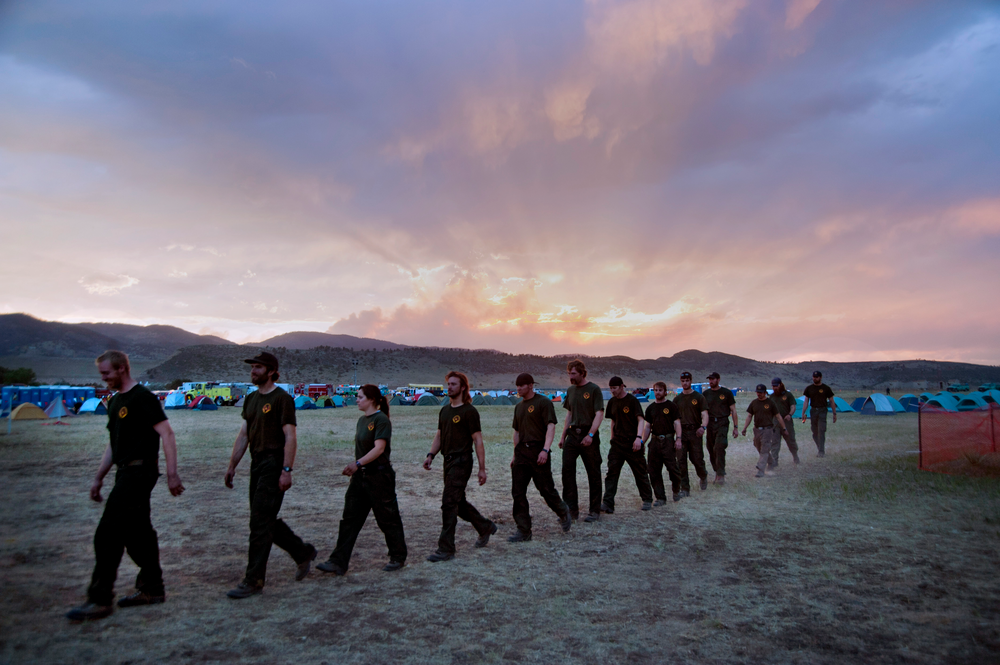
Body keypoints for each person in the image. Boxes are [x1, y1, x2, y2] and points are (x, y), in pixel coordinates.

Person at [66, 351, 185, 621]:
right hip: (124, 472)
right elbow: (114, 444)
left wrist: (172, 473)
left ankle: (100, 599)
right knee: (137, 534)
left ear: (121, 369)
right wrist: (99, 477)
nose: (103, 378)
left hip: (141, 471)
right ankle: (152, 589)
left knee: (108, 532)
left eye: (106, 373)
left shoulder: (143, 397)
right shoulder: (115, 401)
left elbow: (166, 432)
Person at [224, 352, 315, 599]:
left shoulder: (282, 399)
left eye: (258, 367)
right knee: (263, 519)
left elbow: (290, 436)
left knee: (259, 522)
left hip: (274, 463)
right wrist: (233, 465)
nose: (253, 371)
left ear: (272, 371)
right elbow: (244, 435)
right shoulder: (251, 399)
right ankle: (302, 552)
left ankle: (253, 580)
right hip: (257, 463)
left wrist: (286, 470)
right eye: (252, 367)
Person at [318, 384, 407, 575]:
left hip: (379, 477)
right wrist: (359, 468)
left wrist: (357, 464)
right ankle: (338, 562)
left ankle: (398, 557)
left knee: (387, 518)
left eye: (360, 397)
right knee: (350, 519)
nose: (357, 400)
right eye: (357, 397)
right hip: (360, 478)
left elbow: (379, 448)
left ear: (372, 400)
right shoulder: (361, 420)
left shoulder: (381, 420)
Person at [422, 372, 495, 561]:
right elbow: (439, 435)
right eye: (448, 384)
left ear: (463, 387)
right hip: (448, 461)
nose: (449, 387)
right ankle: (485, 526)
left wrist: (482, 468)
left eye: (454, 384)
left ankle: (446, 549)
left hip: (462, 461)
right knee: (458, 504)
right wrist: (431, 454)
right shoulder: (445, 411)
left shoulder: (469, 412)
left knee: (448, 502)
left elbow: (478, 440)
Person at [508, 373, 572, 542]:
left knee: (545, 489)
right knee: (518, 492)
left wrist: (545, 449)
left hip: (538, 450)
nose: (518, 389)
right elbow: (517, 432)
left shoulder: (543, 402)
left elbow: (551, 427)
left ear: (530, 385)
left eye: (521, 385)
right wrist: (515, 454)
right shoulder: (519, 407)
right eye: (517, 386)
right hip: (522, 452)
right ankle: (524, 530)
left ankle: (563, 511)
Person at [559, 359, 605, 522]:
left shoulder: (593, 389)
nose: (570, 376)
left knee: (593, 473)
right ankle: (571, 510)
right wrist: (563, 435)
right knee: (567, 472)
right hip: (573, 434)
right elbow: (569, 413)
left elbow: (599, 413)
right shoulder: (571, 390)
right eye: (569, 373)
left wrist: (591, 435)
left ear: (582, 373)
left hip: (588, 434)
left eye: (573, 373)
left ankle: (594, 510)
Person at [600, 377, 654, 513]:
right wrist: (612, 438)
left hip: (632, 443)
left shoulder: (632, 401)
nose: (612, 391)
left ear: (622, 386)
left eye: (615, 388)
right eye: (610, 388)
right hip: (617, 444)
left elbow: (640, 420)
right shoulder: (612, 402)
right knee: (611, 473)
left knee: (640, 472)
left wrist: (638, 438)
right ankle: (607, 503)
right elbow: (613, 421)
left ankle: (647, 499)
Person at [642, 381, 683, 505]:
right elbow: (648, 426)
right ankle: (660, 497)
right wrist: (643, 441)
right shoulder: (650, 408)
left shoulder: (671, 406)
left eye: (660, 390)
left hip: (668, 441)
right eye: (655, 390)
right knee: (653, 470)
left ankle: (676, 490)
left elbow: (677, 423)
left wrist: (679, 439)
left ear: (665, 392)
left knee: (673, 469)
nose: (657, 392)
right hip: (654, 442)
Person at [672, 372, 709, 496]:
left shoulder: (699, 397)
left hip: (695, 432)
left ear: (691, 381)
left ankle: (703, 475)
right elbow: (673, 419)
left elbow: (704, 414)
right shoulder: (677, 399)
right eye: (683, 381)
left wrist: (703, 427)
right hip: (681, 433)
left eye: (687, 380)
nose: (685, 383)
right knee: (681, 461)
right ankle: (685, 488)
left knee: (697, 459)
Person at [741, 384, 788, 477]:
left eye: (761, 392)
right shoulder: (754, 403)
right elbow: (749, 416)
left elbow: (778, 416)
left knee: (764, 449)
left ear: (765, 393)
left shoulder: (771, 403)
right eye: (757, 392)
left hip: (768, 430)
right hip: (757, 430)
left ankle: (760, 469)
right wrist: (744, 428)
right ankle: (771, 461)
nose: (759, 394)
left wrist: (784, 428)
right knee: (758, 446)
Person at [703, 372, 738, 485]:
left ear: (718, 379)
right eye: (709, 379)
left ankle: (720, 474)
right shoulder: (706, 394)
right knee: (710, 448)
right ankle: (717, 470)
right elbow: (702, 411)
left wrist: (735, 427)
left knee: (719, 446)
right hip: (710, 423)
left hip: (722, 422)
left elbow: (733, 410)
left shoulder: (726, 393)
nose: (711, 381)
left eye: (713, 379)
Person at [802, 371, 837, 457]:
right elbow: (806, 401)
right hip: (813, 411)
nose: (815, 378)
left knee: (821, 430)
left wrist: (834, 413)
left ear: (820, 377)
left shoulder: (826, 388)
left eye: (816, 377)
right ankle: (820, 448)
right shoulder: (809, 388)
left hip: (822, 411)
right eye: (813, 377)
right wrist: (803, 412)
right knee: (814, 432)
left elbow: (832, 401)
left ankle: (821, 451)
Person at [770, 377, 800, 466]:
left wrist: (790, 415)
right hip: (775, 422)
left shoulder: (788, 395)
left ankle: (795, 456)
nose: (775, 388)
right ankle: (774, 461)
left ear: (780, 385)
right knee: (775, 442)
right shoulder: (771, 397)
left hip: (787, 421)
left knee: (790, 440)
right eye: (773, 386)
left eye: (776, 386)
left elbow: (793, 406)